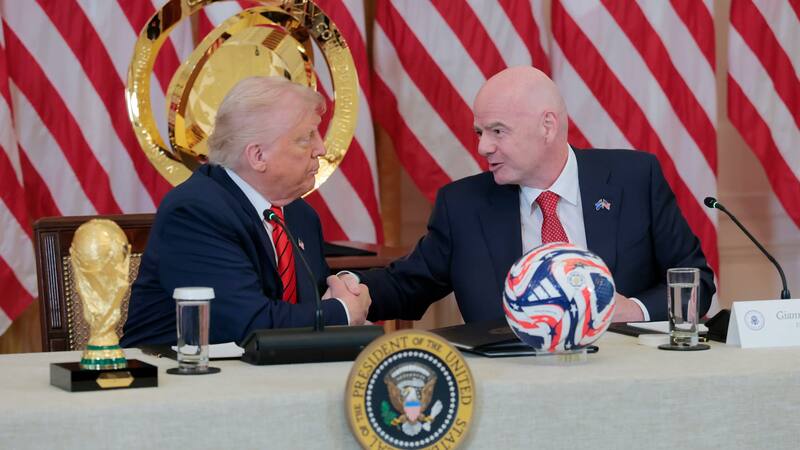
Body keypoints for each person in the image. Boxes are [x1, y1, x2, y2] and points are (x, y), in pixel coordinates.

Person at [350, 66, 714, 324]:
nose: (483, 147)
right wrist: (349, 290)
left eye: (497, 131)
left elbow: (696, 281)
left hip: (623, 376)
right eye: (479, 132)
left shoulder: (633, 179)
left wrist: (632, 310)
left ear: (547, 126)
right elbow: (406, 285)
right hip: (512, 385)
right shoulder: (463, 206)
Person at [122, 76, 370, 346]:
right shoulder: (195, 212)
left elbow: (312, 304)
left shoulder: (300, 215)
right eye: (306, 138)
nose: (321, 149)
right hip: (173, 370)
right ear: (258, 156)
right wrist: (342, 313)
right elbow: (250, 326)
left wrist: (347, 292)